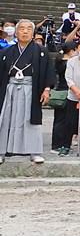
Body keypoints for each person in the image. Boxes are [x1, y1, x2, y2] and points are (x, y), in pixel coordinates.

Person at [0, 19, 55, 164]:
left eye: (28, 29)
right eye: (22, 29)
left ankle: (34, 152)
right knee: (6, 119)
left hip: (31, 88)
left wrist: (47, 89)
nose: (25, 31)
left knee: (31, 120)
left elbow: (49, 71)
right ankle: (1, 151)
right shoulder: (6, 52)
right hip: (10, 88)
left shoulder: (41, 51)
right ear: (16, 32)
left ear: (33, 33)